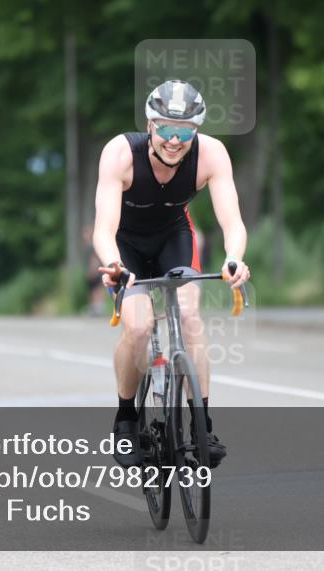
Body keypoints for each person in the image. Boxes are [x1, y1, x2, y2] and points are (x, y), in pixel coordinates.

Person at [92, 79, 251, 468]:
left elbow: (233, 221)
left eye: (184, 131)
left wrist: (234, 259)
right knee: (139, 327)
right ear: (150, 126)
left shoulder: (212, 154)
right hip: (126, 245)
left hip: (173, 239)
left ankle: (203, 425)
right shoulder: (120, 154)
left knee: (190, 315)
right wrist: (115, 266)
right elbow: (103, 228)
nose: (174, 140)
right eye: (165, 129)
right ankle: (126, 417)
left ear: (196, 130)